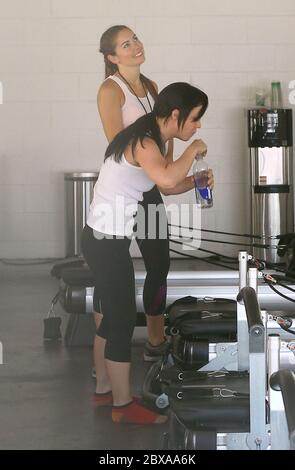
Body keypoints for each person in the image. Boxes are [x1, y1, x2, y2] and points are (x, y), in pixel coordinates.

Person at [82, 81, 209, 424]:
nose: (197, 127)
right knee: (122, 318)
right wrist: (192, 150)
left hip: (103, 238)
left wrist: (196, 181)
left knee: (113, 316)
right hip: (105, 241)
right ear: (176, 115)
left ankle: (104, 390)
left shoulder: (149, 137)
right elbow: (167, 179)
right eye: (195, 119)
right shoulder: (144, 141)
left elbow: (162, 184)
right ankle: (122, 407)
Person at [94, 25, 172, 369]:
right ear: (113, 57)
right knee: (111, 272)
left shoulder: (152, 88)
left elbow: (163, 138)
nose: (136, 46)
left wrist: (169, 168)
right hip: (121, 194)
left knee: (159, 262)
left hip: (149, 190)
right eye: (126, 44)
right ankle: (104, 350)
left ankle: (156, 340)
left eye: (136, 38)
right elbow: (119, 145)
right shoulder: (111, 90)